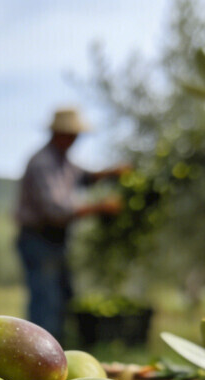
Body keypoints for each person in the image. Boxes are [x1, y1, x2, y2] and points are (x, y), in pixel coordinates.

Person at [14, 107, 129, 342]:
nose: (76, 140)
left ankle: (57, 354)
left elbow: (85, 177)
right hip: (39, 240)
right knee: (46, 304)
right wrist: (100, 207)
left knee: (62, 300)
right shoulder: (43, 163)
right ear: (60, 134)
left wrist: (110, 173)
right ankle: (37, 358)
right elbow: (56, 211)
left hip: (56, 242)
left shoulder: (63, 162)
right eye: (73, 135)